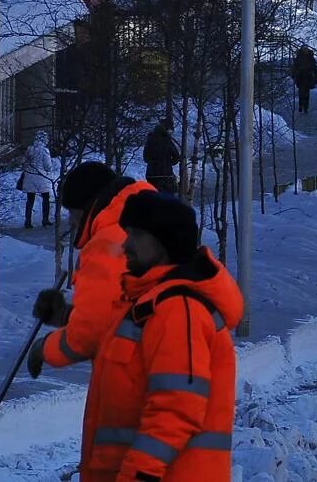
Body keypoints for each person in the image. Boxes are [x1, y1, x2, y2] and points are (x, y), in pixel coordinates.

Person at [85, 191, 240, 482]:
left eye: (137, 234)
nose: (126, 244)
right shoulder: (145, 305)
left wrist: (138, 476)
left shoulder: (178, 310)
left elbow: (176, 409)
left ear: (165, 242)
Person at [26, 162, 155, 467]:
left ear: (88, 207)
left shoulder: (107, 242)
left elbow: (90, 336)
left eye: (72, 213)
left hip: (127, 387)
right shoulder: (148, 227)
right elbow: (120, 314)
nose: (71, 223)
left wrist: (45, 348)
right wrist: (66, 315)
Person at [17, 133, 57, 229]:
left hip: (30, 177)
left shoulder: (30, 149)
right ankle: (45, 220)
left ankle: (28, 221)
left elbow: (24, 163)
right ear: (45, 140)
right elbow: (48, 166)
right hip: (41, 177)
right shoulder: (45, 151)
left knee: (30, 200)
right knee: (46, 198)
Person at [142, 120, 181, 196]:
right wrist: (169, 163)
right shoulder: (167, 141)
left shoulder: (149, 142)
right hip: (166, 174)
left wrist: (153, 162)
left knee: (153, 196)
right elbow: (176, 157)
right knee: (168, 196)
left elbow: (145, 158)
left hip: (152, 175)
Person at [290, 45, 317, 117]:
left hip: (308, 78)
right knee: (301, 93)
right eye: (304, 49)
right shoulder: (299, 57)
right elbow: (295, 67)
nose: (306, 50)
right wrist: (294, 74)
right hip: (300, 77)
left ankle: (306, 107)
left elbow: (314, 68)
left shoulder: (310, 57)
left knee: (307, 93)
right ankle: (301, 105)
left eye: (306, 49)